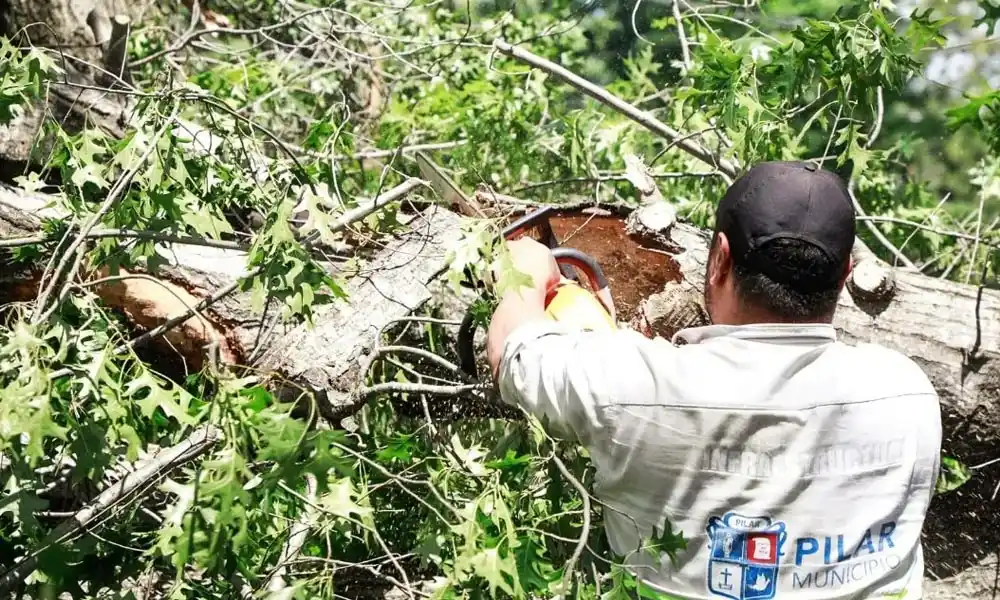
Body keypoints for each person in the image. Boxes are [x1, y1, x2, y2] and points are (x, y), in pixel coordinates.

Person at [487, 161, 942, 600]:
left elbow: (513, 351)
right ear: (845, 277)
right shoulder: (908, 392)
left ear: (719, 259)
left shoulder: (635, 386)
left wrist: (525, 267)